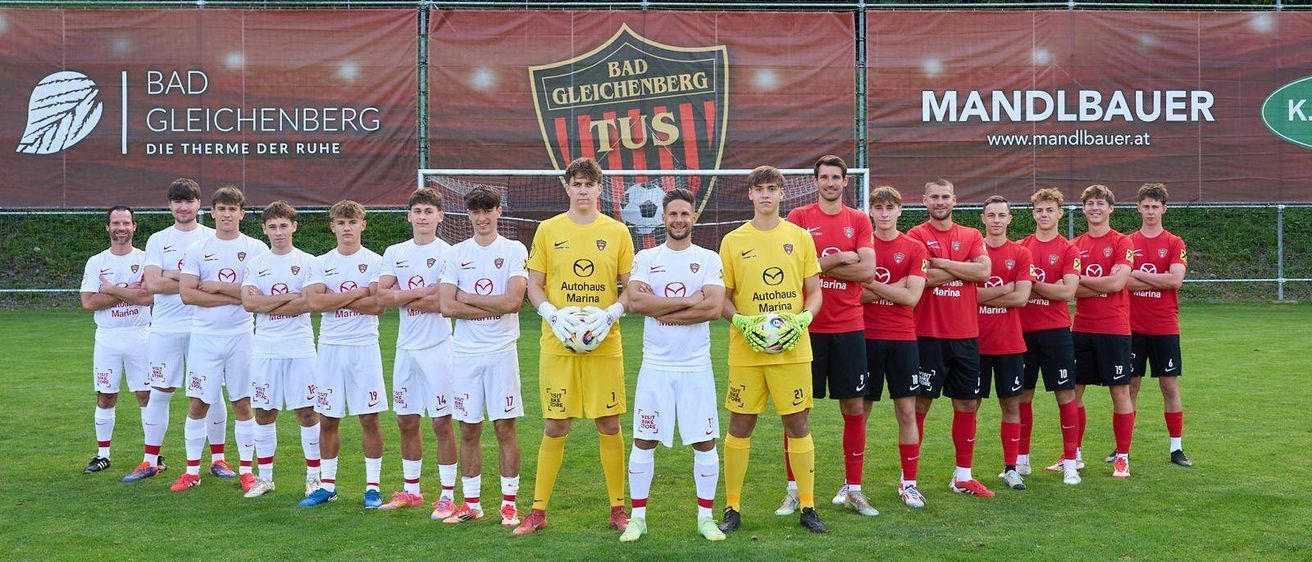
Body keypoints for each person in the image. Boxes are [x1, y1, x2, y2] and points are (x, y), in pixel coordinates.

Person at [515, 157, 634, 536]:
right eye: (577, 184)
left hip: (604, 342)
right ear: (566, 188)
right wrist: (550, 313)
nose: (583, 191)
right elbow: (534, 284)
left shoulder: (617, 231)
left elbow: (631, 286)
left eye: (589, 184)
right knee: (555, 424)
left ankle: (618, 509)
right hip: (558, 342)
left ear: (600, 189)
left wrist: (612, 312)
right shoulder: (548, 230)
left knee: (609, 422)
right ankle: (537, 511)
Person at [717, 165, 827, 534]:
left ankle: (808, 506)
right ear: (750, 194)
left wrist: (802, 320)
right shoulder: (733, 240)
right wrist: (742, 322)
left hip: (791, 349)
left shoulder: (800, 237)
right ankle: (732, 507)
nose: (765, 195)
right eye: (759, 189)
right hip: (747, 351)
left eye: (772, 188)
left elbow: (814, 292)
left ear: (782, 194)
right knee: (740, 423)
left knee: (797, 423)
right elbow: (724, 300)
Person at [619, 188, 726, 542]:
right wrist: (689, 303)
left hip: (696, 366)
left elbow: (713, 309)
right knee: (643, 439)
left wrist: (660, 305)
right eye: (673, 214)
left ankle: (705, 517)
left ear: (694, 217)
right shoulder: (647, 257)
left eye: (685, 214)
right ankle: (638, 518)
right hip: (656, 365)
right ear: (662, 219)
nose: (679, 220)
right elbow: (635, 302)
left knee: (705, 442)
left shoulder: (708, 258)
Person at [778, 155, 877, 517]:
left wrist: (819, 264)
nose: (831, 183)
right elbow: (793, 268)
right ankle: (794, 492)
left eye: (837, 177)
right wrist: (840, 259)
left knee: (853, 408)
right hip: (807, 328)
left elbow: (867, 269)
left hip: (849, 327)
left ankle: (854, 489)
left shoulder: (859, 219)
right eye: (825, 177)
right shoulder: (799, 218)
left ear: (845, 182)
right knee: (797, 412)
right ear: (815, 181)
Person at [125, 179, 228, 484]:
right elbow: (153, 284)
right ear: (169, 205)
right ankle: (149, 460)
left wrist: (172, 276)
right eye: (177, 201)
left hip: (204, 327)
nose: (183, 207)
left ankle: (219, 459)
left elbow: (216, 282)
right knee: (160, 392)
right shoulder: (158, 240)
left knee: (211, 392)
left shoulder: (213, 237)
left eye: (189, 201)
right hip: (165, 328)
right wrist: (190, 280)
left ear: (199, 205)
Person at [437, 187, 528, 526]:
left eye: (488, 210)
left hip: (502, 351)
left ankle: (509, 503)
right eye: (476, 211)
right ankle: (471, 503)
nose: (482, 217)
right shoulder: (457, 253)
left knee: (505, 428)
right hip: (465, 354)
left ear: (498, 212)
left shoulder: (514, 249)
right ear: (469, 215)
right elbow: (447, 306)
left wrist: (467, 298)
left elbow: (513, 303)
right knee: (469, 429)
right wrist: (485, 302)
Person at [170, 186, 270, 493]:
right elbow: (188, 295)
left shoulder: (256, 249)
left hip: (242, 336)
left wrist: (214, 287)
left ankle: (245, 471)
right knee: (198, 402)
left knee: (242, 402)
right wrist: (235, 295)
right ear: (212, 212)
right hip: (204, 337)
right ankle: (191, 471)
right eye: (221, 209)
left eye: (233, 209)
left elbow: (256, 296)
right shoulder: (196, 250)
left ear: (242, 213)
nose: (227, 215)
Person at [373, 189, 459, 516]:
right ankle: (412, 491)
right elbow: (381, 295)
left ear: (440, 216)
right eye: (417, 211)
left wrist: (402, 296)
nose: (422, 216)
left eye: (428, 211)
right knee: (406, 420)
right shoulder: (395, 252)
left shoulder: (449, 253)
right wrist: (422, 291)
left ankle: (447, 494)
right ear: (408, 216)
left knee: (441, 422)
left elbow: (445, 303)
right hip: (405, 350)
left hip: (438, 349)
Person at [905, 178, 993, 498]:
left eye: (945, 196)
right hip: (927, 334)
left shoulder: (971, 234)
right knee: (920, 404)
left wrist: (942, 263)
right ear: (924, 200)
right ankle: (908, 479)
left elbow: (983, 272)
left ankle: (963, 476)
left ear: (955, 200)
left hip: (966, 334)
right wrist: (963, 267)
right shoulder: (915, 236)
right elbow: (921, 278)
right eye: (934, 197)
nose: (940, 202)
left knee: (968, 403)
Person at [300, 200, 388, 507]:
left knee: (369, 418)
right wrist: (359, 293)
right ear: (332, 227)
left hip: (364, 348)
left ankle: (373, 487)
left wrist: (334, 298)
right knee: (328, 418)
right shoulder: (320, 262)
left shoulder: (377, 261)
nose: (347, 228)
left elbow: (378, 305)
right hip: (331, 349)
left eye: (352, 222)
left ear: (363, 225)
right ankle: (327, 485)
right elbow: (314, 303)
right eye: (341, 222)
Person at [239, 201, 320, 498]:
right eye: (272, 227)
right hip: (265, 348)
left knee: (307, 411)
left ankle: (314, 477)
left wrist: (268, 302)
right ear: (264, 229)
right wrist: (290, 298)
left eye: (283, 225)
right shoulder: (256, 263)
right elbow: (249, 304)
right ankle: (266, 478)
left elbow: (310, 302)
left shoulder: (309, 261)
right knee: (263, 411)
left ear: (294, 226)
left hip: (300, 347)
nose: (278, 232)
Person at [860, 186, 929, 508]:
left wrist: (873, 285)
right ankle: (853, 485)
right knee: (860, 412)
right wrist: (894, 286)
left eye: (890, 207)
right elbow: (853, 296)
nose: (884, 213)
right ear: (871, 211)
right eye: (878, 207)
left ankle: (909, 483)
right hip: (865, 336)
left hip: (903, 338)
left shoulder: (914, 248)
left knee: (906, 411)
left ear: (900, 211)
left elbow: (912, 298)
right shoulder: (862, 246)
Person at [80, 206, 153, 474]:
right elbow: (89, 302)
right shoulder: (96, 261)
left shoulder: (147, 259)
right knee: (106, 395)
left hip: (140, 335)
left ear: (134, 226)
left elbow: (147, 297)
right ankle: (103, 454)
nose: (121, 228)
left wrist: (109, 289)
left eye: (126, 223)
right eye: (115, 223)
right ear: (107, 228)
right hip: (108, 337)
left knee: (146, 396)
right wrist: (126, 291)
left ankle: (152, 456)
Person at [1070, 184, 1137, 479]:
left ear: (1111, 208)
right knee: (1072, 392)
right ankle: (1073, 454)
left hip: (1114, 328)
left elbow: (1116, 284)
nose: (1095, 208)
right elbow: (1070, 291)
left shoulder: (1122, 242)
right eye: (1090, 203)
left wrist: (1080, 281)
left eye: (1101, 203)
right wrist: (1085, 284)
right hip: (1081, 327)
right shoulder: (1074, 245)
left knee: (1120, 392)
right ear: (1083, 208)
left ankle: (1122, 457)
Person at [1018, 189, 1083, 485]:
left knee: (1065, 394)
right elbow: (1020, 291)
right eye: (1039, 210)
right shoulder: (1020, 248)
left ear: (1059, 213)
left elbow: (1068, 292)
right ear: (1033, 213)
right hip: (1022, 332)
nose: (1044, 215)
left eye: (1050, 210)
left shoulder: (1069, 249)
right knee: (1021, 396)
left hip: (1057, 332)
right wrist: (1048, 286)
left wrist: (1031, 284)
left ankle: (1070, 461)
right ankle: (1022, 460)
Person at [1126, 183, 1191, 468]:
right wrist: (1158, 277)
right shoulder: (1127, 243)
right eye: (1146, 206)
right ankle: (1122, 449)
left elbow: (1175, 280)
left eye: (1155, 206)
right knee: (1129, 387)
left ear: (1164, 208)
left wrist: (1138, 273)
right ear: (1138, 208)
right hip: (1130, 327)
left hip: (1164, 326)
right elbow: (1122, 281)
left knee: (1169, 387)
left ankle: (1176, 448)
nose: (1150, 211)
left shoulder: (1175, 242)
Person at [974, 196, 1034, 492]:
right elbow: (967, 297)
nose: (996, 220)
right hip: (974, 343)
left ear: (1010, 219)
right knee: (968, 406)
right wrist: (1006, 289)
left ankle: (1011, 469)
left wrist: (996, 293)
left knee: (1012, 405)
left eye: (1002, 215)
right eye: (991, 215)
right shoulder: (974, 251)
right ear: (983, 219)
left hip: (1010, 344)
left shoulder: (1021, 254)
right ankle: (964, 471)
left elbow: (1022, 298)